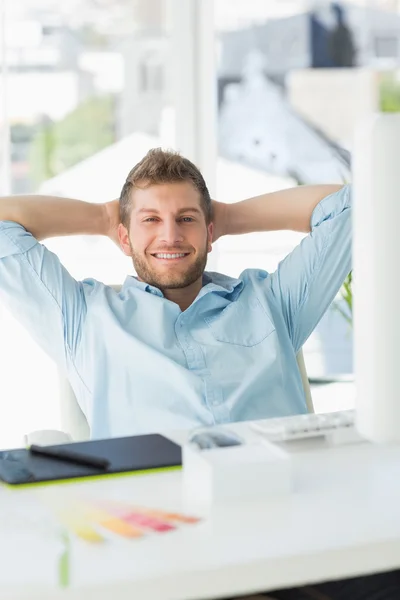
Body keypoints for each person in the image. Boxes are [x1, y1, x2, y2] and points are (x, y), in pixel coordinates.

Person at [0, 148, 350, 439]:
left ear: (210, 231)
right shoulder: (83, 319)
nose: (170, 236)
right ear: (124, 237)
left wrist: (227, 217)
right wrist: (103, 217)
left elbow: (351, 206)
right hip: (156, 513)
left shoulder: (273, 302)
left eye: (186, 219)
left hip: (282, 503)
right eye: (150, 220)